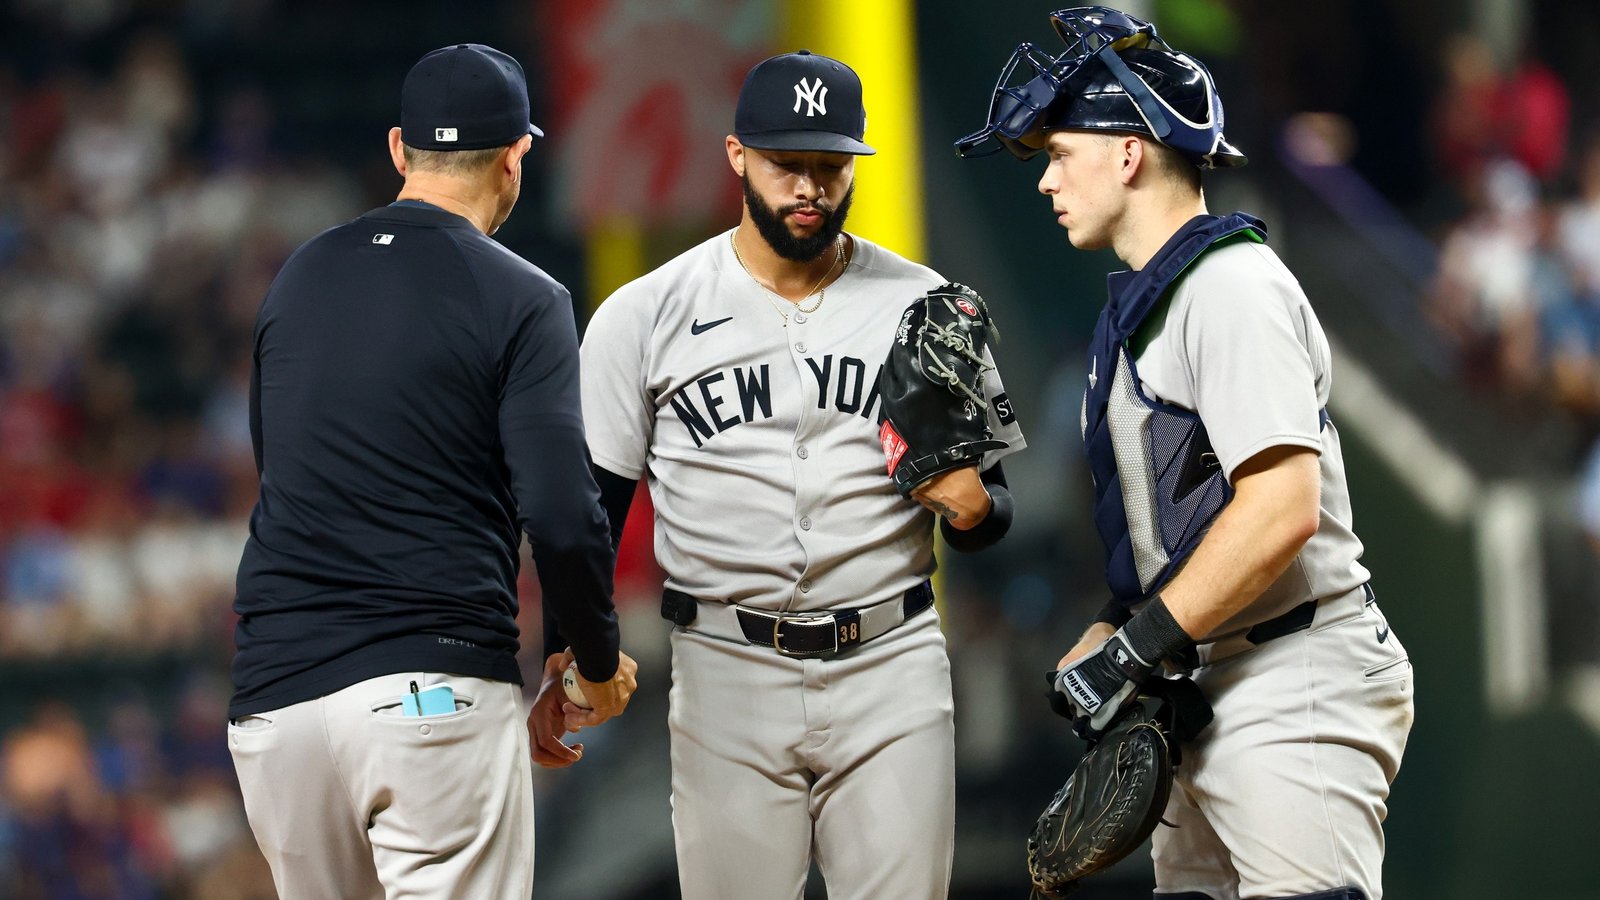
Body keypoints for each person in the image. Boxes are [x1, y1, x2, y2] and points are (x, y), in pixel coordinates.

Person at [958, 8, 1414, 900]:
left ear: (1128, 151)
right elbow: (1186, 519)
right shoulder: (1146, 309)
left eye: (1060, 152)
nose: (1047, 180)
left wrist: (1132, 648)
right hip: (1205, 679)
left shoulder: (1230, 286)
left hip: (1292, 676)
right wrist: (1116, 619)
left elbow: (1283, 509)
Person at [573, 50, 1026, 899]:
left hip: (890, 665)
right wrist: (580, 647)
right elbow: (590, 513)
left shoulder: (924, 304)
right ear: (738, 155)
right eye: (789, 165)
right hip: (723, 669)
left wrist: (971, 512)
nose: (810, 188)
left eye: (829, 166)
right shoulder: (645, 313)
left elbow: (995, 509)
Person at [227, 43, 637, 900]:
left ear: (397, 149)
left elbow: (283, 471)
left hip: (276, 709)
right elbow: (563, 514)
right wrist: (591, 662)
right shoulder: (523, 296)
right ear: (518, 156)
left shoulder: (297, 277)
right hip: (429, 692)